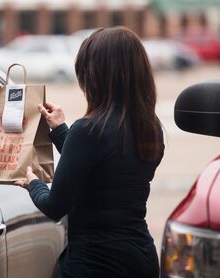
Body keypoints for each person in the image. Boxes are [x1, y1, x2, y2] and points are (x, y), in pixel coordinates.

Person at [15, 26, 164, 277]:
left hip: (94, 264)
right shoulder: (151, 127)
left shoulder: (88, 130)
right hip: (142, 260)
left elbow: (54, 206)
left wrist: (34, 183)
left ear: (95, 75)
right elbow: (103, 169)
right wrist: (62, 131)